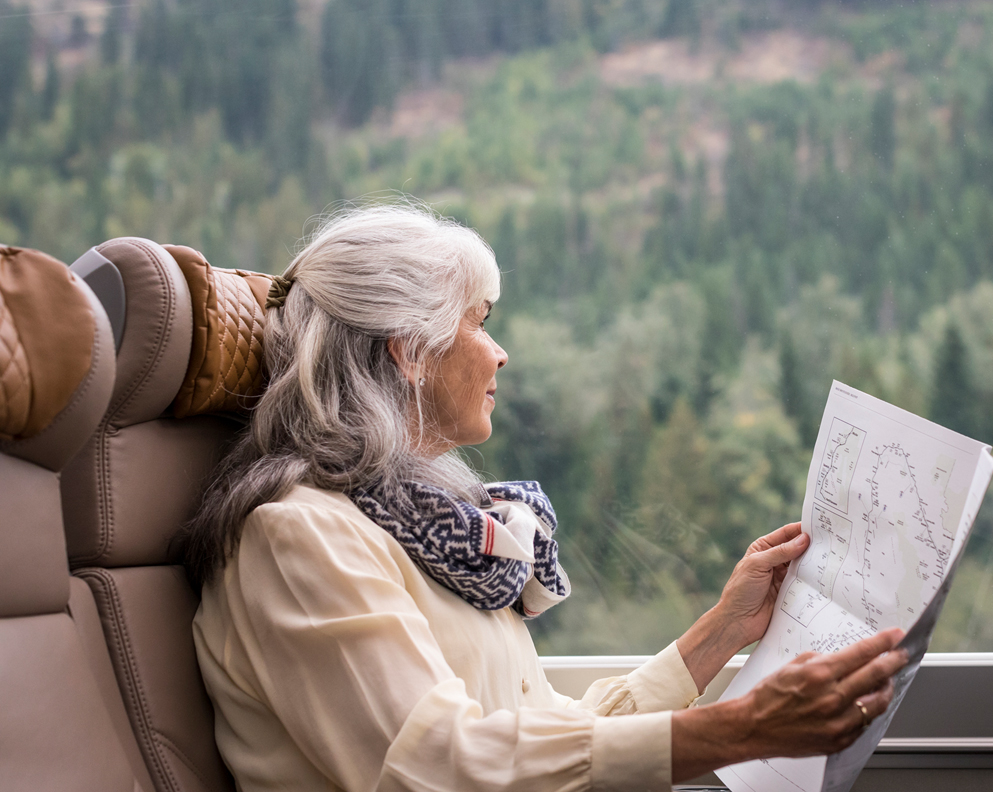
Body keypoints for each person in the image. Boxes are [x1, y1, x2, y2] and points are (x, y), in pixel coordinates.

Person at [184, 204, 908, 791]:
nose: (499, 354)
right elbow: (439, 767)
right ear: (410, 348)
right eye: (481, 321)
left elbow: (541, 736)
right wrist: (739, 728)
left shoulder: (419, 529)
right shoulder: (295, 538)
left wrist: (721, 631)